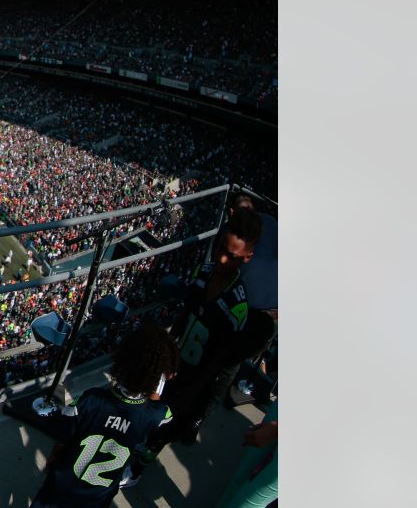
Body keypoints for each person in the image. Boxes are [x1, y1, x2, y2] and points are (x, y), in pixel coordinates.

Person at [128, 208, 274, 481]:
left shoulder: (236, 306)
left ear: (247, 258)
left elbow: (218, 361)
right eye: (221, 248)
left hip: (195, 378)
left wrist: (192, 395)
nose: (221, 259)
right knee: (150, 413)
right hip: (175, 363)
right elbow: (183, 319)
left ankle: (138, 468)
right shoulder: (201, 272)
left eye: (231, 256)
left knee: (166, 427)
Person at [31, 322, 178, 508]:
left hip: (62, 486)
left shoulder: (90, 400)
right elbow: (162, 410)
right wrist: (156, 377)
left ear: (122, 360)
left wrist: (53, 459)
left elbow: (63, 439)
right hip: (98, 497)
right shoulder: (155, 415)